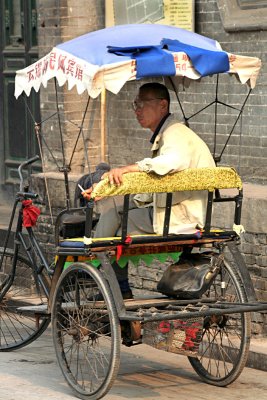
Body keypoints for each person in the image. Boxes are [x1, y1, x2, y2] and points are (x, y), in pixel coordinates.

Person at [83, 82, 215, 298]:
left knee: (114, 219)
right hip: (180, 210)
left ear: (163, 105)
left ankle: (98, 269)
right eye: (135, 104)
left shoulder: (175, 133)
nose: (137, 110)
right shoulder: (169, 134)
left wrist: (127, 169)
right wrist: (108, 188)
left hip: (180, 216)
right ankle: (115, 283)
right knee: (119, 210)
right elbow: (154, 185)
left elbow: (170, 162)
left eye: (142, 104)